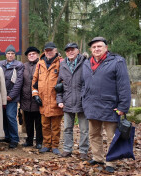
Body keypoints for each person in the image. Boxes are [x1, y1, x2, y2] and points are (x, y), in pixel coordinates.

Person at [82, 37, 131, 173]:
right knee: (94, 134)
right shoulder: (86, 63)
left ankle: (111, 161)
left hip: (110, 106)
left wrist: (123, 106)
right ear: (91, 50)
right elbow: (84, 84)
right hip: (92, 106)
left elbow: (124, 85)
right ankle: (98, 158)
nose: (96, 49)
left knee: (111, 136)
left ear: (106, 48)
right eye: (94, 47)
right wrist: (84, 99)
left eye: (99, 46)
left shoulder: (117, 61)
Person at [56, 43, 89, 160]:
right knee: (67, 128)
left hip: (82, 102)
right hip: (67, 101)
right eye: (68, 50)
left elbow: (88, 83)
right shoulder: (63, 64)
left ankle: (84, 150)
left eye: (72, 50)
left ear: (78, 51)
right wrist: (59, 100)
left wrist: (85, 98)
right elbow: (59, 85)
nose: (70, 52)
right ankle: (67, 149)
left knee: (84, 129)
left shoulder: (85, 63)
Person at [31, 42, 63, 155]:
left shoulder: (61, 62)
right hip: (43, 101)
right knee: (44, 125)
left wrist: (62, 86)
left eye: (51, 50)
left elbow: (65, 78)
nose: (48, 52)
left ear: (56, 51)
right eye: (47, 50)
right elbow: (34, 81)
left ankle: (55, 146)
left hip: (56, 100)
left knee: (55, 126)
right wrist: (35, 95)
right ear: (44, 51)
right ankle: (46, 144)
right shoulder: (40, 63)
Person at [0, 44, 24, 149]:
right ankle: (7, 136)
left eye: (12, 53)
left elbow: (18, 82)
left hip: (12, 97)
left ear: (15, 54)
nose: (10, 55)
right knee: (3, 117)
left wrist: (11, 96)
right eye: (8, 53)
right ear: (5, 54)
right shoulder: (0, 64)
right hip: (1, 96)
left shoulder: (19, 65)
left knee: (10, 116)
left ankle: (14, 138)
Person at [20, 46, 43, 149]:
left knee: (38, 123)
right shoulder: (24, 66)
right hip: (25, 99)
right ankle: (29, 140)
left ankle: (39, 141)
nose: (31, 55)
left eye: (33, 54)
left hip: (37, 98)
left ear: (37, 55)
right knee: (28, 122)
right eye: (29, 54)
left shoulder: (41, 65)